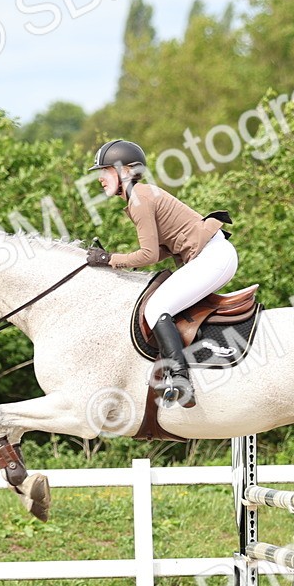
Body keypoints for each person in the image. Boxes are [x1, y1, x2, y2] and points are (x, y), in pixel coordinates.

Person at [85, 139, 238, 408]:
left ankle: (180, 378)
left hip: (213, 257)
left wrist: (110, 259)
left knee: (156, 307)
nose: (100, 178)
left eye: (105, 170)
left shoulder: (140, 199)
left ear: (126, 171)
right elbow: (159, 252)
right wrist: (114, 260)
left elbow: (148, 255)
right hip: (213, 255)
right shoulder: (140, 196)